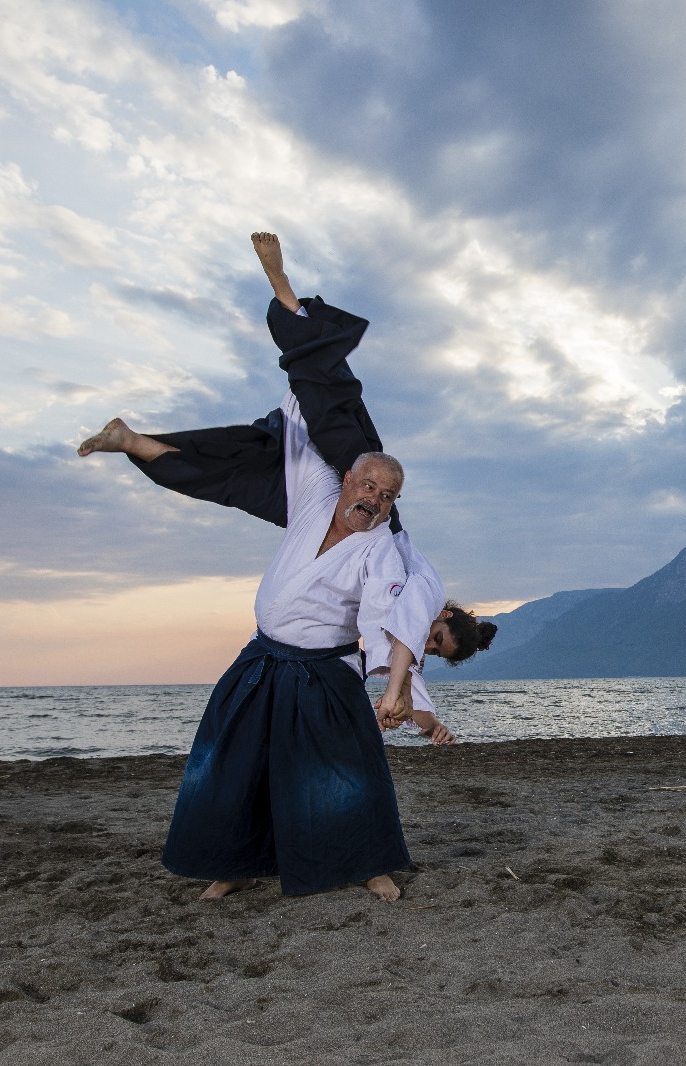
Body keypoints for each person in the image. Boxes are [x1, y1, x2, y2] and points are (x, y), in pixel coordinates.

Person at [81, 240, 440, 903]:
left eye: (387, 496)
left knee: (345, 774)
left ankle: (367, 863)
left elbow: (392, 614)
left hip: (324, 673)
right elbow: (318, 397)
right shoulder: (313, 493)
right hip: (261, 661)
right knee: (232, 768)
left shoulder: (381, 545)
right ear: (347, 478)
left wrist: (397, 688)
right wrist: (282, 287)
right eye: (366, 485)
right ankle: (237, 862)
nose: (373, 500)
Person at [80, 234, 495, 743]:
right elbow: (401, 631)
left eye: (431, 650)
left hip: (317, 511)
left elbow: (399, 653)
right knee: (330, 398)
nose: (425, 645)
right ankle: (284, 291)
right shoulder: (411, 566)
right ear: (445, 613)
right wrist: (280, 281)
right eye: (436, 638)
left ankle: (134, 442)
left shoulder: (388, 583)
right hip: (346, 484)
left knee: (231, 480)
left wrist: (424, 717)